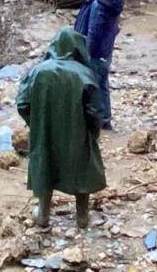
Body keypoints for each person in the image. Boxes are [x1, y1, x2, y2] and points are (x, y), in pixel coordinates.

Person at [16, 27, 106, 230]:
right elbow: (95, 110)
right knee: (82, 168)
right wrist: (93, 132)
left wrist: (36, 123)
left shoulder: (38, 71)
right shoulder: (84, 73)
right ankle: (82, 217)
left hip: (45, 132)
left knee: (45, 167)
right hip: (78, 132)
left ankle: (43, 215)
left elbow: (22, 104)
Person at [73, 0, 123, 130]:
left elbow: (94, 31)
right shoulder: (110, 3)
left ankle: (97, 120)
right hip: (104, 53)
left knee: (94, 86)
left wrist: (86, 53)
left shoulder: (98, 5)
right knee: (102, 85)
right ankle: (105, 119)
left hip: (95, 53)